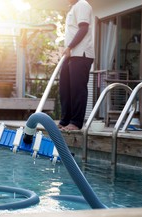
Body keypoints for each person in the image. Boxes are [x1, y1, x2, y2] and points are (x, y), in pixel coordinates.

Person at [58, 0, 95, 131]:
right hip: (71, 54)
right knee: (65, 88)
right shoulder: (73, 8)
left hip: (81, 54)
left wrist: (70, 46)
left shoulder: (82, 4)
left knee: (77, 89)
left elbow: (83, 28)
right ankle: (65, 120)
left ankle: (76, 122)